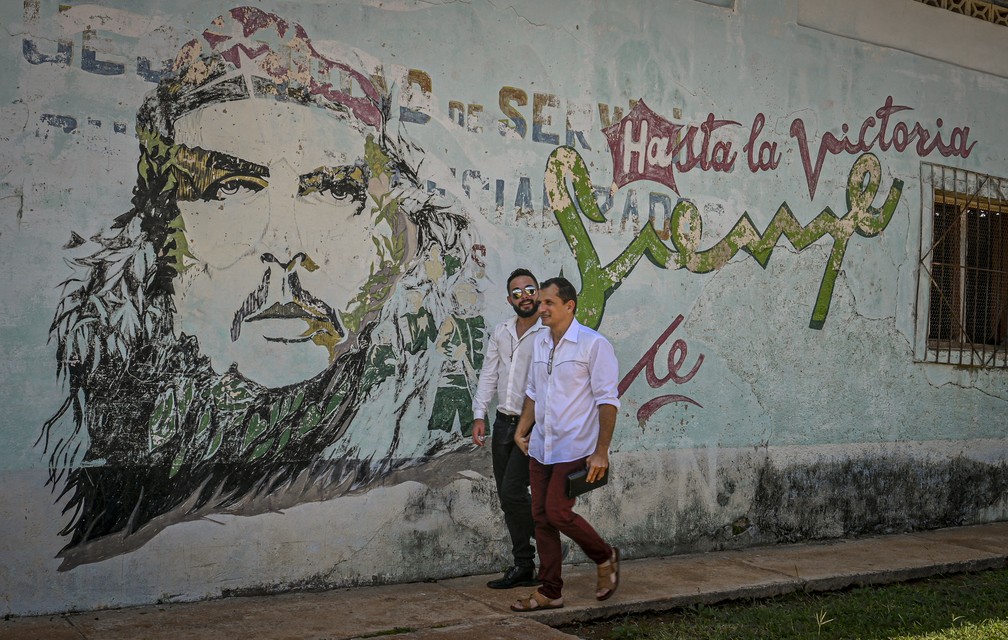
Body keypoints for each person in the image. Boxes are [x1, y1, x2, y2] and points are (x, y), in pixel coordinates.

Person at [41, 6, 482, 567]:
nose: (283, 241)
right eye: (229, 187)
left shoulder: (434, 459)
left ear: (389, 239)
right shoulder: (97, 449)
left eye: (329, 189)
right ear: (159, 234)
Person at [510, 276, 621, 611]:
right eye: (540, 302)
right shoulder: (541, 343)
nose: (540, 308)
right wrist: (521, 430)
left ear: (569, 306)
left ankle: (605, 557)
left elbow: (608, 401)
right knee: (541, 518)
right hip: (542, 446)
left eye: (548, 303)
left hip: (575, 446)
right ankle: (550, 591)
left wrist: (601, 451)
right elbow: (533, 392)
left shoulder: (593, 344)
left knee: (557, 512)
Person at [471, 268, 546, 588]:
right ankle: (524, 565)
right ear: (509, 300)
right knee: (506, 497)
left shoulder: (548, 332)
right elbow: (489, 374)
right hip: (503, 423)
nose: (524, 296)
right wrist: (479, 415)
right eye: (517, 293)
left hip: (533, 425)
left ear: (539, 293)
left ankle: (548, 537)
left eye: (530, 290)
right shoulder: (501, 331)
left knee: (513, 491)